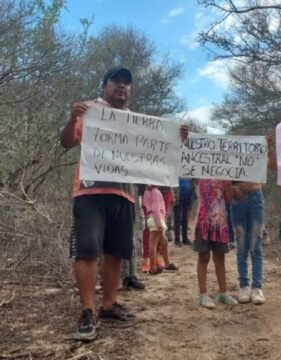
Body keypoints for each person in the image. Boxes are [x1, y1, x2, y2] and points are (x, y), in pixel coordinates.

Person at [60, 66, 188, 341]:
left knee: (115, 252)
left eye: (127, 83)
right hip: (89, 193)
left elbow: (161, 155)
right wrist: (72, 120)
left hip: (124, 195)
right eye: (116, 81)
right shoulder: (90, 111)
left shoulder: (137, 122)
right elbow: (66, 142)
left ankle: (108, 304)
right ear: (104, 85)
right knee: (87, 251)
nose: (122, 86)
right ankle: (87, 311)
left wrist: (178, 138)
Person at [230, 136, 276, 305]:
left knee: (256, 245)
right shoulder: (229, 152)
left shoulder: (257, 151)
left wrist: (269, 148)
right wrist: (234, 188)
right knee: (241, 245)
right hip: (237, 200)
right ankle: (243, 286)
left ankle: (257, 287)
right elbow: (222, 176)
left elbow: (275, 166)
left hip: (256, 197)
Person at [194, 179, 238, 309]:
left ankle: (223, 293)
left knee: (220, 257)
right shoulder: (200, 174)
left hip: (220, 223)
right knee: (203, 257)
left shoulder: (225, 177)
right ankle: (203, 294)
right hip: (203, 222)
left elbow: (229, 200)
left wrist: (229, 185)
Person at [142, 184, 178, 274]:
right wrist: (159, 223)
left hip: (151, 217)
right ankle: (153, 267)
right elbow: (156, 209)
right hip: (157, 218)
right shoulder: (157, 192)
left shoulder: (146, 192)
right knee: (153, 243)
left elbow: (144, 205)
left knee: (163, 240)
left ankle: (166, 263)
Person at [173, 178, 193, 246]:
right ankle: (177, 239)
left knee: (185, 219)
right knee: (177, 218)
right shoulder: (176, 174)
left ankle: (185, 238)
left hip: (187, 198)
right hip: (178, 198)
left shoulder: (189, 175)